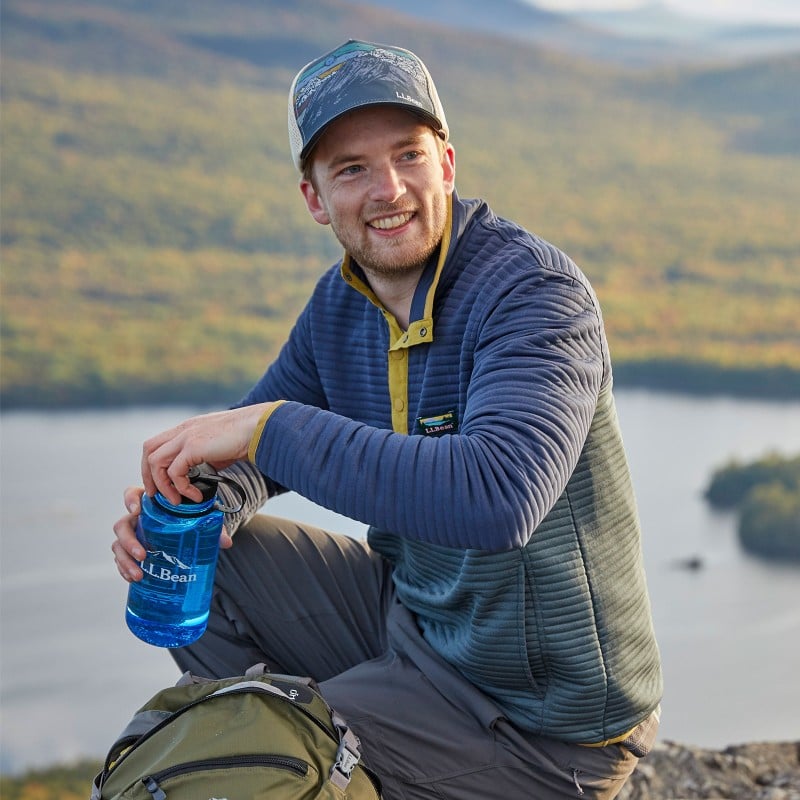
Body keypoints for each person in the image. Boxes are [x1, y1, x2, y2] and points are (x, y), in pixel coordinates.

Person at [112, 39, 662, 800]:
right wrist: (184, 508)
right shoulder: (342, 306)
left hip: (540, 722)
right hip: (416, 630)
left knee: (228, 772)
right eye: (352, 169)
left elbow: (499, 496)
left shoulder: (533, 295)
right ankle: (316, 753)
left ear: (447, 163)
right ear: (314, 198)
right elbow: (245, 457)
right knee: (207, 552)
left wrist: (270, 430)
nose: (389, 188)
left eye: (408, 155)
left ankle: (307, 758)